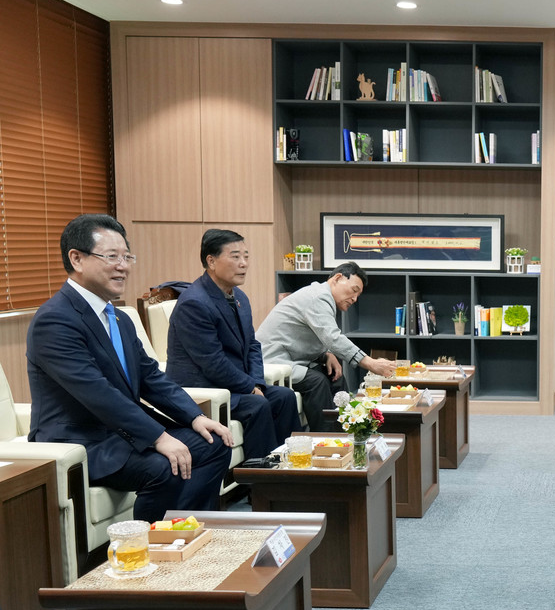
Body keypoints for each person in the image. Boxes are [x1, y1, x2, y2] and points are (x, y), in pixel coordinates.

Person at [26, 214, 233, 522]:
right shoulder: (55, 320)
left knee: (214, 443)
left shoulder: (118, 318)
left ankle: (185, 529)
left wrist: (195, 416)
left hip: (121, 432)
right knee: (164, 467)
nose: (123, 266)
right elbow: (98, 394)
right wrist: (159, 437)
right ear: (77, 259)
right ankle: (148, 551)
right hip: (83, 439)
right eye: (112, 257)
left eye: (126, 257)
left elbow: (151, 377)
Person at [166, 229, 301, 459]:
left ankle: (291, 466)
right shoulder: (194, 303)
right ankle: (259, 481)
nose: (244, 264)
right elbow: (212, 362)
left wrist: (256, 382)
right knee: (258, 406)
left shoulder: (239, 297)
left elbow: (252, 346)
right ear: (211, 260)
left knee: (284, 397)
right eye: (235, 256)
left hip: (235, 385)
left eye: (246, 256)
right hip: (205, 389)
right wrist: (250, 388)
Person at [256, 262, 396, 428]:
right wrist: (370, 363)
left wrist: (327, 354)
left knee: (335, 378)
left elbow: (319, 335)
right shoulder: (318, 297)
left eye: (358, 295)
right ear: (337, 278)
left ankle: (348, 431)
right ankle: (327, 440)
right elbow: (333, 337)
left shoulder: (323, 297)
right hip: (273, 361)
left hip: (294, 360)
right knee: (318, 382)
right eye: (354, 290)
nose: (354, 299)